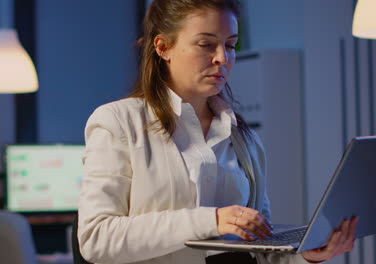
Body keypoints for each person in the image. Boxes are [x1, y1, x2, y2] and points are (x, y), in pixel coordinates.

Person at [77, 0, 358, 263]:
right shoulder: (118, 122)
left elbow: (261, 249)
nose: (222, 58)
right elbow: (96, 238)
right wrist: (210, 221)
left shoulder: (244, 139)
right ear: (163, 47)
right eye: (206, 44)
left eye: (231, 45)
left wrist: (308, 256)